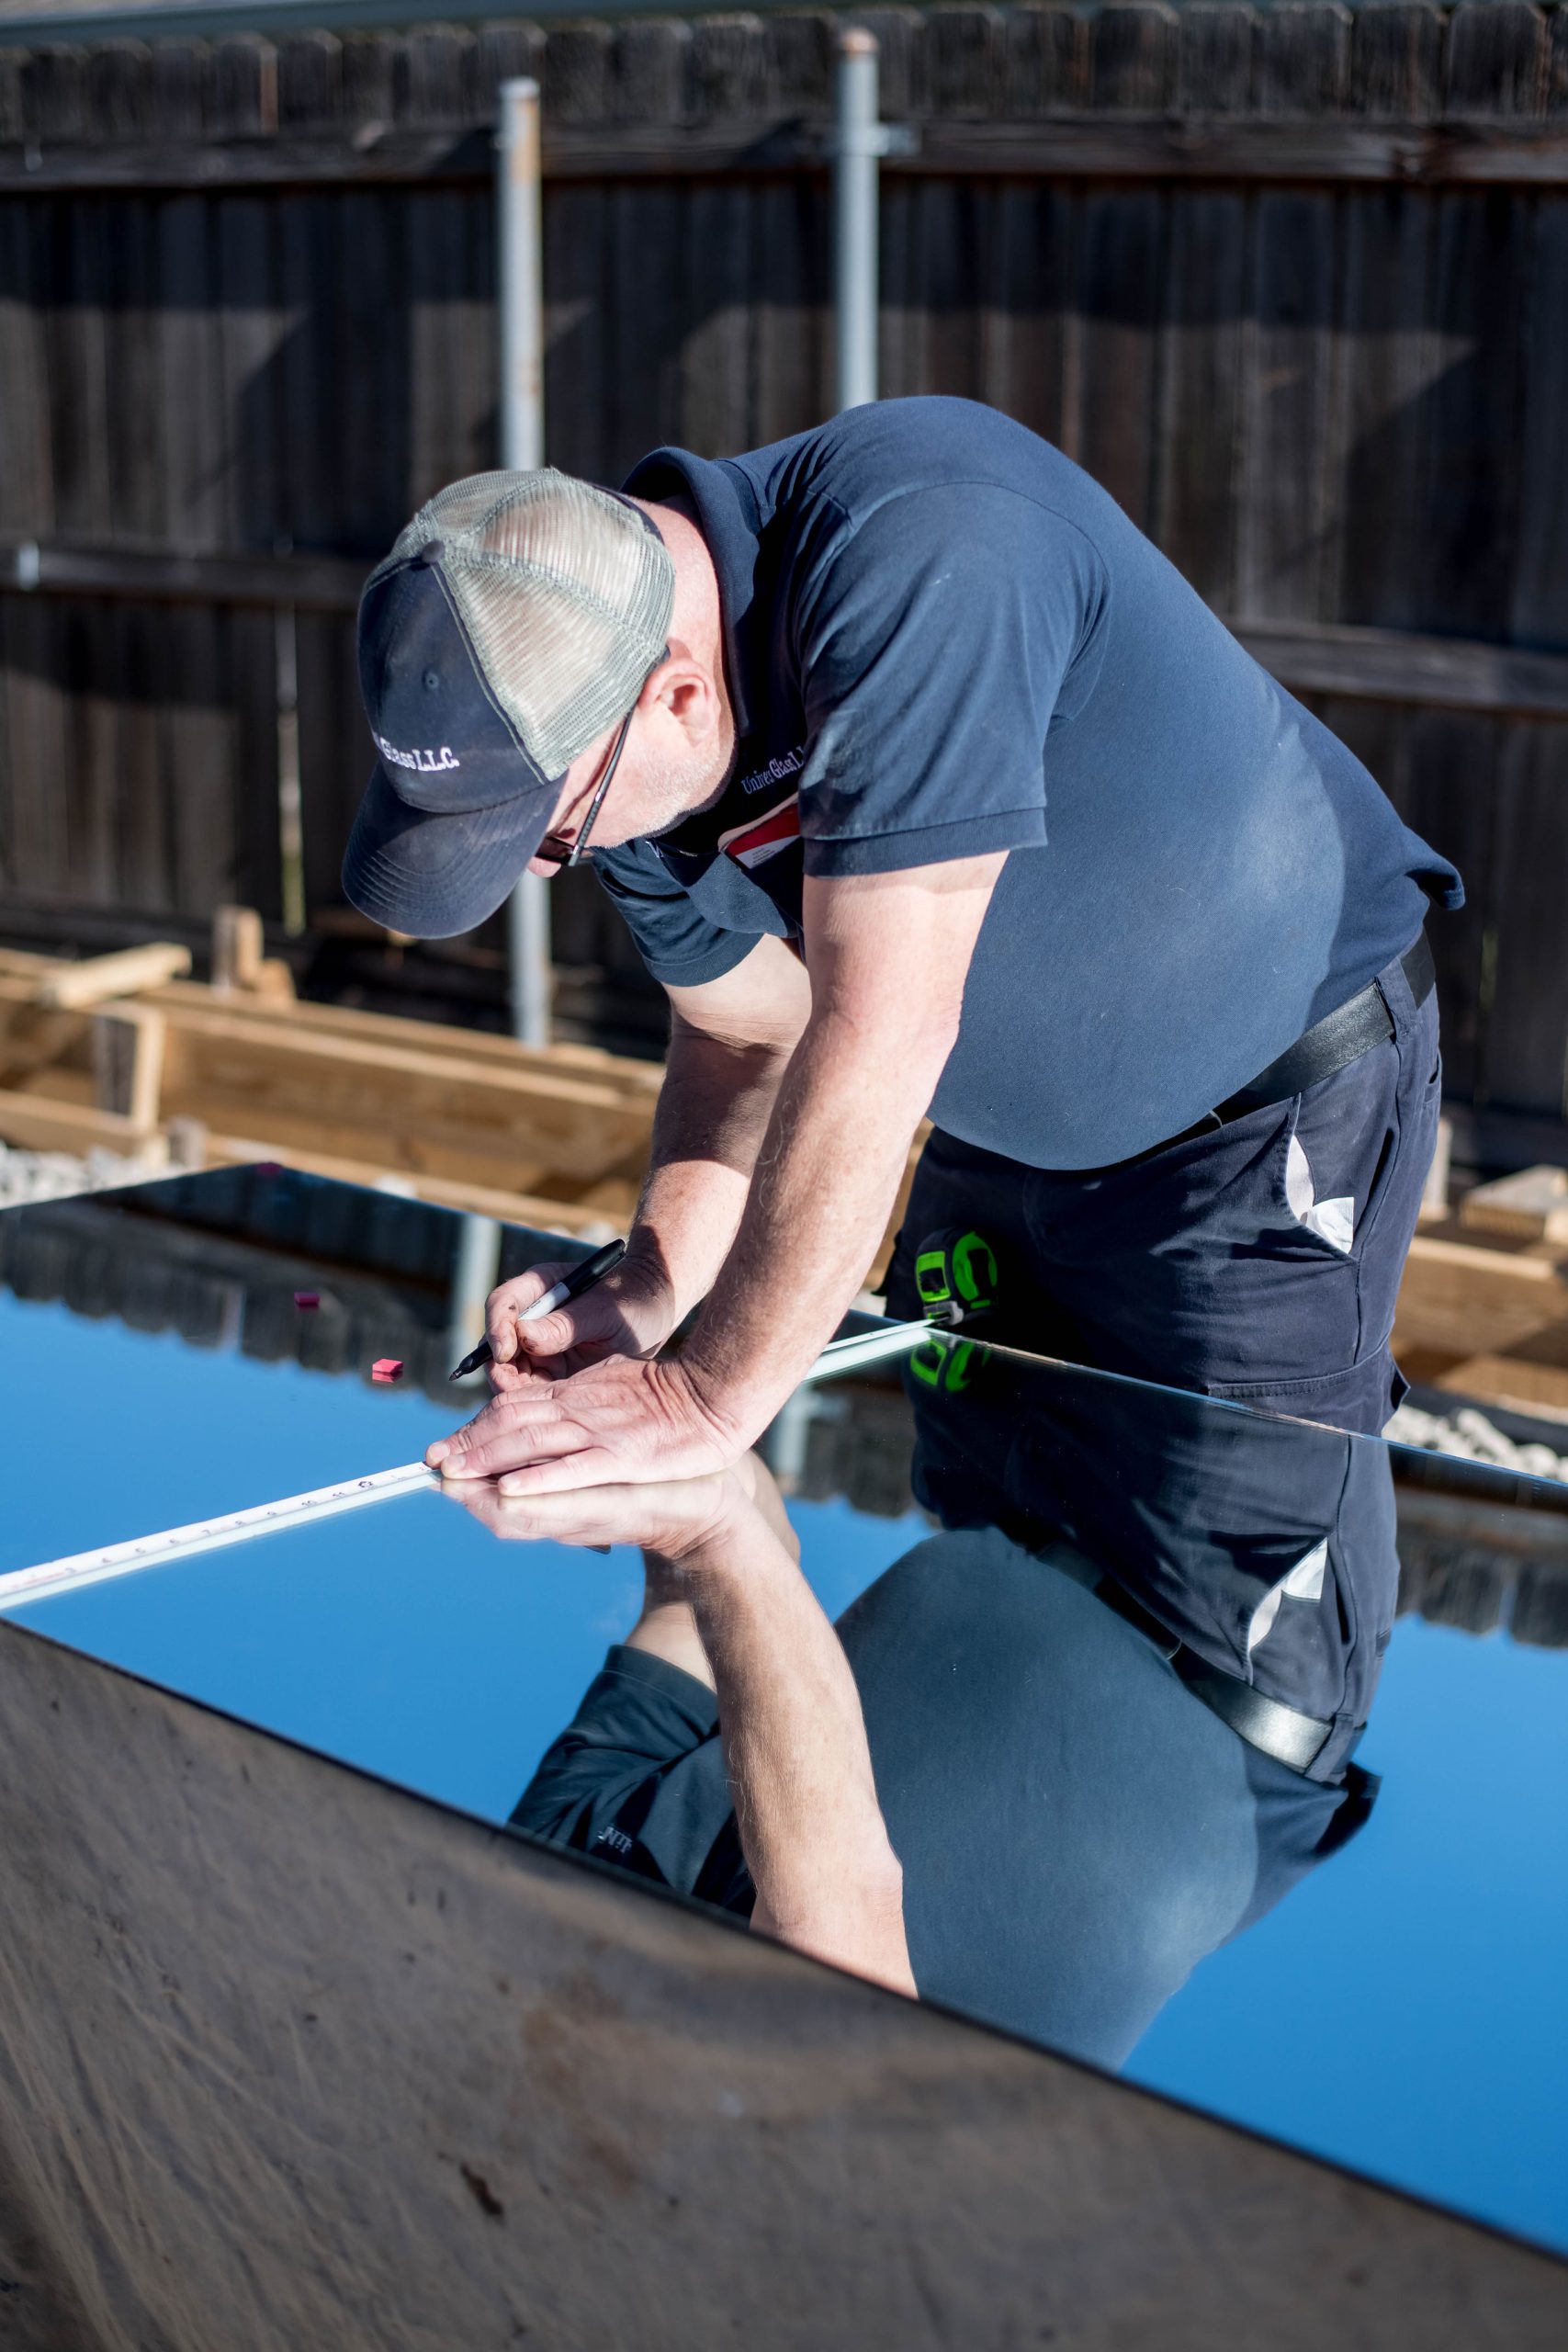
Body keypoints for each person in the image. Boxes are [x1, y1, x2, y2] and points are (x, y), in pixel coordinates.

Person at [341, 399, 1461, 1494]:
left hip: (1259, 1126)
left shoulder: (924, 549)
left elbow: (881, 1030)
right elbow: (743, 1041)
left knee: (1233, 1637)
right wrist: (654, 1281)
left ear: (678, 695)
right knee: (980, 1577)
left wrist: (701, 1396)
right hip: (984, 1140)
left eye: (550, 831)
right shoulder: (620, 751)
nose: (543, 867)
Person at [467, 1340, 1391, 2068]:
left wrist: (626, 1398)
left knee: (998, 1110)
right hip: (1232, 1610)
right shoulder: (710, 2153)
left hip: (1006, 1487)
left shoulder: (544, 1878)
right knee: (1250, 1127)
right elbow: (838, 1925)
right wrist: (710, 1531)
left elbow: (694, 1603)